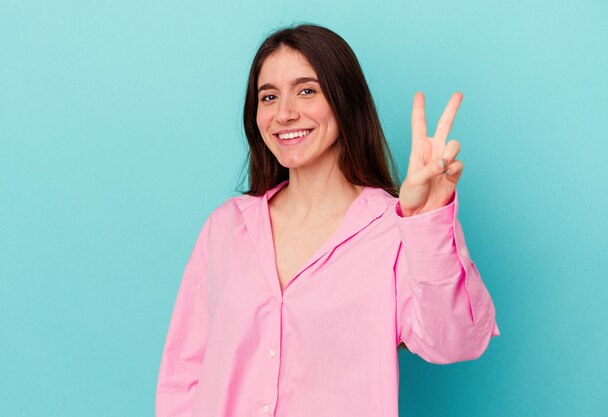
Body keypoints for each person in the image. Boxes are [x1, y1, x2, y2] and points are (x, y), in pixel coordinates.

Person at [155, 23, 499, 417]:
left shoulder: (395, 230)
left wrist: (429, 219)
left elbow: (455, 342)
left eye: (306, 90)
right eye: (269, 97)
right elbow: (183, 378)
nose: (284, 113)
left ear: (344, 101)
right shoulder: (226, 227)